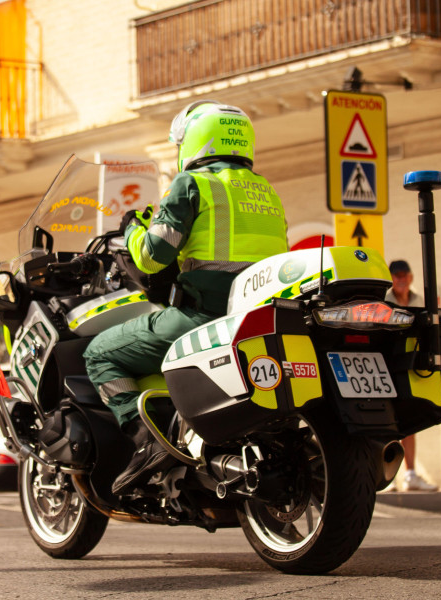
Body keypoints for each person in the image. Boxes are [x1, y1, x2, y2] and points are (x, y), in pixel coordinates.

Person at [84, 100, 289, 495]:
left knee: (99, 354)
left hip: (203, 317)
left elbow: (152, 255)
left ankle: (145, 440)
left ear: (194, 140)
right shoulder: (266, 191)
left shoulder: (192, 184)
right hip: (257, 316)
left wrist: (130, 229)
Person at [386, 259, 438, 492]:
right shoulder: (384, 301)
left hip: (410, 365)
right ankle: (388, 478)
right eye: (396, 275)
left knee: (409, 423)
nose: (401, 279)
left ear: (411, 277)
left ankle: (410, 474)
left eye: (404, 275)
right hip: (387, 364)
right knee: (388, 424)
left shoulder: (419, 301)